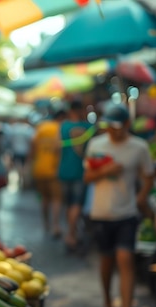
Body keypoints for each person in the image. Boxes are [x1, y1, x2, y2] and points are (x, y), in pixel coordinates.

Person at [83, 103, 154, 307]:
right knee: (106, 261)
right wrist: (108, 170)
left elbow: (149, 175)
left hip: (127, 214)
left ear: (126, 125)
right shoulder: (96, 145)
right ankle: (107, 302)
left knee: (125, 260)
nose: (112, 131)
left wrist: (142, 195)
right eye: (109, 126)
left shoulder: (139, 147)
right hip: (101, 214)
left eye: (116, 126)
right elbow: (88, 177)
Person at [58, 100, 92, 251]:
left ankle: (70, 232)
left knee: (69, 203)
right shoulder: (89, 128)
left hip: (64, 170)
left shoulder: (63, 127)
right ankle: (72, 234)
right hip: (80, 171)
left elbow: (55, 148)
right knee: (76, 204)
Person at [29, 109, 64, 238]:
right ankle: (55, 226)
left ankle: (46, 224)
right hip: (54, 169)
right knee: (56, 199)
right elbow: (58, 148)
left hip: (39, 168)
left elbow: (32, 144)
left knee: (44, 198)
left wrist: (31, 162)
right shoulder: (59, 128)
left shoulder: (41, 127)